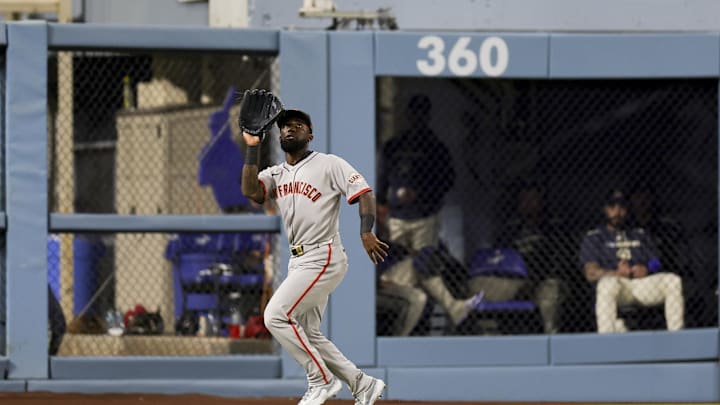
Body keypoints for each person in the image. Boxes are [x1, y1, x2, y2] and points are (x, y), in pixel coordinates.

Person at [238, 108, 389, 405]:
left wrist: (365, 231)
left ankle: (319, 381)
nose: (290, 130)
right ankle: (362, 384)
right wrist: (252, 147)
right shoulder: (276, 173)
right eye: (285, 127)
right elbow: (250, 191)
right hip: (299, 261)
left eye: (298, 125)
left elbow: (364, 193)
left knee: (275, 316)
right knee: (309, 333)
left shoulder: (329, 164)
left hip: (323, 255)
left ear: (310, 135)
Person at [579, 189, 684, 333]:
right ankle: (605, 340)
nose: (617, 211)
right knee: (606, 284)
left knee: (673, 281)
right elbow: (590, 273)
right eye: (612, 207)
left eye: (622, 207)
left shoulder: (640, 233)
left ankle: (677, 335)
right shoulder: (595, 236)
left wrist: (647, 268)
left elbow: (657, 262)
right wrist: (616, 273)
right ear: (605, 210)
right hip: (618, 287)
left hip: (642, 285)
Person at [468, 184, 566, 334]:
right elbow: (499, 259)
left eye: (532, 199)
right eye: (524, 199)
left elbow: (557, 263)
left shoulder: (553, 229)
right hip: (514, 281)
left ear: (541, 202)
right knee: (476, 286)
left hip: (544, 280)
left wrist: (532, 282)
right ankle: (489, 336)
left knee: (550, 295)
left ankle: (550, 340)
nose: (527, 204)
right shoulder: (510, 230)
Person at [376, 94, 455, 251]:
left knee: (422, 262)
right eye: (414, 113)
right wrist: (381, 203)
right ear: (408, 115)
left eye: (422, 113)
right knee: (397, 261)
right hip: (397, 214)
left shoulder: (435, 147)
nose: (417, 118)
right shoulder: (395, 145)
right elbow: (383, 176)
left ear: (427, 116)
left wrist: (420, 193)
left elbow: (447, 179)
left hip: (425, 214)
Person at [376, 242, 483, 335]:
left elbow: (395, 248)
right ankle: (455, 309)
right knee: (418, 292)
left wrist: (409, 249)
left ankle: (455, 307)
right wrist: (377, 281)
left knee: (423, 259)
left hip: (395, 276)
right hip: (374, 285)